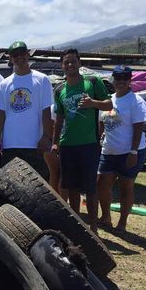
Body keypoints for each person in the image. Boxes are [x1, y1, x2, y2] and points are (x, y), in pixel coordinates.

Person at [53, 48, 112, 232]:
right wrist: (55, 141)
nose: (70, 65)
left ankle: (93, 227)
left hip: (89, 144)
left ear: (79, 62)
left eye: (73, 61)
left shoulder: (92, 82)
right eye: (66, 62)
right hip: (67, 144)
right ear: (62, 65)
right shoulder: (59, 89)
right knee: (71, 188)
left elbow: (109, 104)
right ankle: (78, 227)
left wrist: (92, 103)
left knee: (90, 187)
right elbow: (59, 118)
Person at [97, 65, 146, 232]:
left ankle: (122, 223)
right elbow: (102, 121)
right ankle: (106, 218)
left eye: (124, 78)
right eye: (117, 78)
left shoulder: (136, 101)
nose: (120, 82)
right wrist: (101, 136)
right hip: (109, 150)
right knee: (101, 185)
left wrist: (133, 151)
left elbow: (138, 128)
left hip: (129, 152)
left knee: (126, 187)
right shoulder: (109, 99)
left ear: (129, 80)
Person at [0, 41, 53, 179]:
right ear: (11, 59)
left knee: (38, 187)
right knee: (12, 185)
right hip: (10, 145)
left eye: (22, 53)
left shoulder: (42, 80)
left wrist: (46, 136)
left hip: (35, 145)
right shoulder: (4, 84)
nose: (19, 57)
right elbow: (1, 114)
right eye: (15, 55)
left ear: (27, 54)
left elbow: (46, 111)